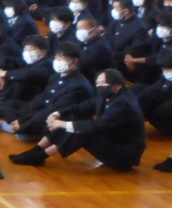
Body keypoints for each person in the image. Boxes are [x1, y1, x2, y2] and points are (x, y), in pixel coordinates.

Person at [11, 69, 145, 171]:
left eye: (104, 83)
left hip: (123, 155)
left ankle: (40, 156)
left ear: (117, 86)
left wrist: (62, 125)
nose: (100, 86)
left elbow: (96, 125)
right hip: (110, 140)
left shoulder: (124, 104)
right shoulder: (105, 96)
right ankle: (37, 149)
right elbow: (81, 108)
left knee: (84, 130)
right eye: (98, 83)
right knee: (72, 116)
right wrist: (58, 114)